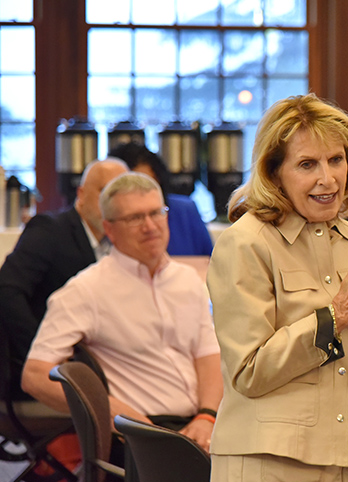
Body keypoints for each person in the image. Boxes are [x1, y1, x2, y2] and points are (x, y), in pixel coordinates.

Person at [206, 93, 348, 482]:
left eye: (336, 159)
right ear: (274, 172)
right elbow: (249, 371)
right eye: (307, 164)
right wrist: (337, 314)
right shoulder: (246, 244)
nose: (328, 179)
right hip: (271, 481)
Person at [21, 172, 223, 452]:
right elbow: (34, 376)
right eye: (135, 218)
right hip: (139, 435)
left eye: (156, 212)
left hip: (203, 425)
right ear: (109, 229)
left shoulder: (188, 281)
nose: (150, 226)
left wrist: (207, 416)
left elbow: (208, 355)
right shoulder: (85, 290)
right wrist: (117, 415)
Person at [0, 158, 128, 401]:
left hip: (105, 369)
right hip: (46, 372)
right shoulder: (50, 230)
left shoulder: (119, 241)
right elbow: (7, 291)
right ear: (81, 193)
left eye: (120, 193)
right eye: (105, 190)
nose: (113, 201)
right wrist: (42, 354)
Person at [107, 141, 214, 256]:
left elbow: (210, 264)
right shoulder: (109, 219)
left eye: (146, 186)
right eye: (129, 188)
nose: (149, 226)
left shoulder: (184, 211)